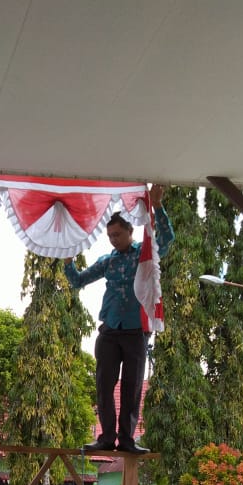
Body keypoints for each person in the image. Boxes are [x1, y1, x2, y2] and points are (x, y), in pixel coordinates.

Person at [64, 185, 174, 454]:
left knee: (131, 388)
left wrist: (157, 207)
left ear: (130, 232)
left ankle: (127, 440)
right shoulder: (108, 261)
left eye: (118, 234)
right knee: (104, 385)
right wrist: (68, 261)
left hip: (136, 331)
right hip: (110, 331)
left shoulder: (144, 254)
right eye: (110, 235)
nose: (114, 239)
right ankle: (106, 438)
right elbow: (78, 281)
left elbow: (168, 240)